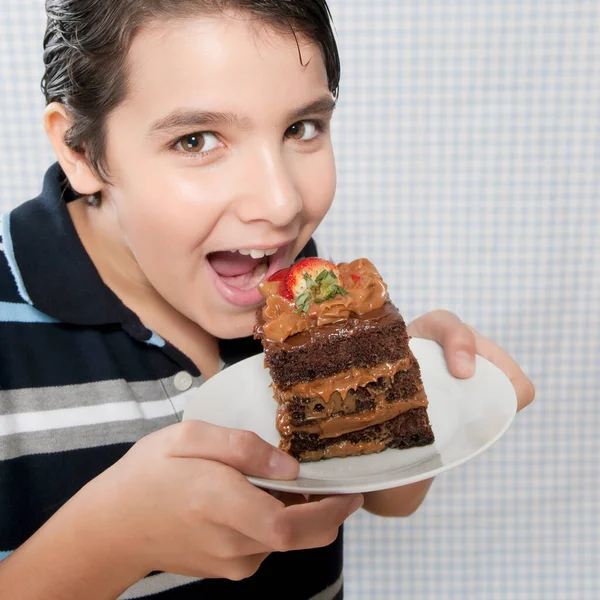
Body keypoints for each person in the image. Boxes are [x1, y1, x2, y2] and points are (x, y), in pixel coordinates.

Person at [0, 1, 535, 598]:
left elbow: (388, 497)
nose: (281, 204)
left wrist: (414, 391)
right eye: (196, 139)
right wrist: (106, 542)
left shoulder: (294, 280)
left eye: (301, 128)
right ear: (80, 148)